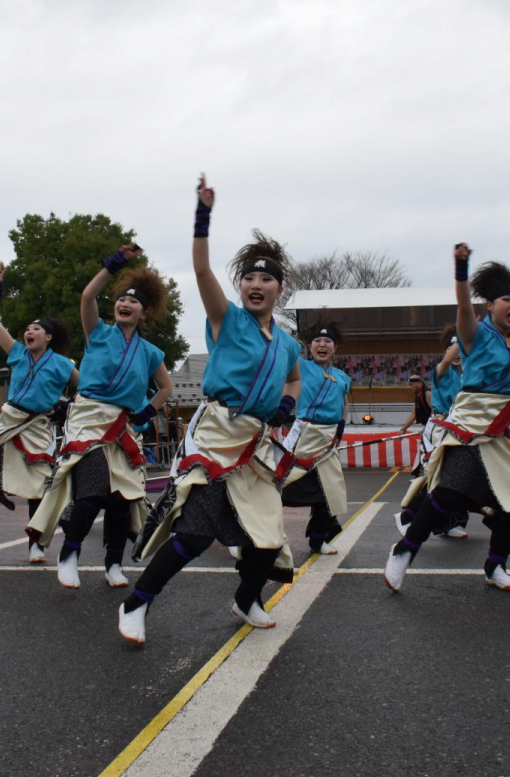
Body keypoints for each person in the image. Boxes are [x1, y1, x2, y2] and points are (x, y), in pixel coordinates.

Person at [120, 175, 301, 645]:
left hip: (257, 442)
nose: (256, 284)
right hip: (218, 433)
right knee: (197, 531)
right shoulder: (227, 318)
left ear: (279, 289)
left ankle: (246, 598)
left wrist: (287, 402)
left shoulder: (286, 343)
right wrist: (203, 217)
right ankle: (136, 603)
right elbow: (201, 271)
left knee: (266, 535)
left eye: (266, 279)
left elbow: (295, 379)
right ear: (240, 285)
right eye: (250, 277)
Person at [384, 245, 510, 592]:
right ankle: (404, 550)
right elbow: (463, 307)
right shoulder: (477, 333)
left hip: (509, 427)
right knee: (449, 491)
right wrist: (461, 270)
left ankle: (496, 565)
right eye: (506, 300)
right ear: (490, 305)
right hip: (473, 423)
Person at [26, 244, 172, 589]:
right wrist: (115, 263)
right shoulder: (99, 333)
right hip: (89, 420)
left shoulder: (150, 352)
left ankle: (113, 564)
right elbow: (88, 295)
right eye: (121, 299)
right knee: (91, 492)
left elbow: (165, 388)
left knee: (121, 500)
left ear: (144, 314)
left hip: (122, 427)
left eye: (133, 301)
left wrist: (146, 411)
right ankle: (69, 555)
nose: (125, 303)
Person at [0, 262, 79, 565]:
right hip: (10, 423)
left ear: (48, 337)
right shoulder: (18, 353)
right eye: (28, 329)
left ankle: (36, 544)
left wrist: (66, 406)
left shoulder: (63, 364)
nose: (29, 331)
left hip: (39, 427)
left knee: (37, 489)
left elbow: (85, 390)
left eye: (36, 329)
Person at [278, 322, 353, 555]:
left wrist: (340, 429)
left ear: (335, 348)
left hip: (329, 439)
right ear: (309, 347)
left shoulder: (342, 377)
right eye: (317, 341)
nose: (322, 345)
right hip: (304, 434)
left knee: (331, 493)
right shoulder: (299, 366)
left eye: (327, 341)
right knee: (276, 486)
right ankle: (254, 533)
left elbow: (344, 405)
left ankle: (318, 540)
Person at [396, 324, 469, 539]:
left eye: (460, 348)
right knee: (436, 477)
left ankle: (452, 522)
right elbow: (447, 361)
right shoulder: (440, 370)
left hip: (462, 429)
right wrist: (462, 338)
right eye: (451, 348)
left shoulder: (467, 374)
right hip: (440, 428)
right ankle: (408, 516)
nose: (455, 352)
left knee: (460, 478)